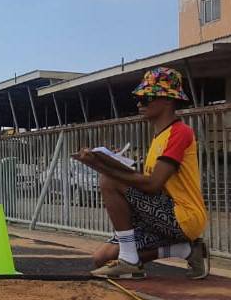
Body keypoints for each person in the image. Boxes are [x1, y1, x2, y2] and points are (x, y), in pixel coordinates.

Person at [73, 67, 209, 280]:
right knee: (102, 258)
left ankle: (130, 260)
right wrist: (104, 161)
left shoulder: (180, 132)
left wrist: (101, 167)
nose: (139, 104)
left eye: (146, 99)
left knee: (109, 180)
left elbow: (152, 184)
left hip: (183, 216)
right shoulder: (159, 136)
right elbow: (144, 182)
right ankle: (186, 250)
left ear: (167, 100)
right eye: (139, 99)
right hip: (162, 212)